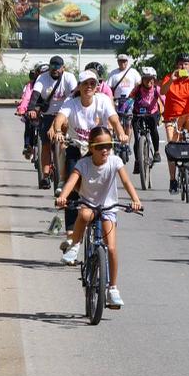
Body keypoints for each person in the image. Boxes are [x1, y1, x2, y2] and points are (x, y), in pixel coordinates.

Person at [54, 126, 143, 308]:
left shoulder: (115, 161)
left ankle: (113, 289)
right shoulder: (83, 164)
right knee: (84, 214)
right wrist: (62, 197)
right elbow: (71, 182)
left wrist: (136, 200)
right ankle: (75, 246)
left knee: (111, 248)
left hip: (108, 207)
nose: (105, 150)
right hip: (88, 204)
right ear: (91, 147)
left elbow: (126, 181)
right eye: (101, 147)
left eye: (109, 146)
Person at [51, 70, 127, 255]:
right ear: (79, 86)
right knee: (71, 192)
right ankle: (71, 236)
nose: (89, 87)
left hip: (98, 149)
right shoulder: (71, 102)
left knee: (104, 187)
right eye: (85, 83)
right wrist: (58, 131)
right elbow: (59, 119)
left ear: (97, 86)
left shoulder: (103, 101)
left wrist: (121, 132)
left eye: (92, 83)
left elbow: (114, 120)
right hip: (77, 148)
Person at [28, 55, 77, 191]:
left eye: (57, 66)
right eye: (52, 66)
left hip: (65, 115)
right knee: (45, 144)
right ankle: (45, 175)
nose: (55, 69)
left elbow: (74, 96)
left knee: (63, 144)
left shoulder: (69, 78)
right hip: (48, 115)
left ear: (63, 68)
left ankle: (63, 174)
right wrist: (31, 109)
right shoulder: (42, 78)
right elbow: (35, 95)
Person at [160, 53, 189, 194]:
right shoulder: (169, 77)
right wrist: (171, 80)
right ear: (177, 66)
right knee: (172, 147)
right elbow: (162, 91)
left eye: (186, 64)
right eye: (180, 64)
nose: (183, 66)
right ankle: (173, 180)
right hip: (172, 117)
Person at [128, 67, 163, 175]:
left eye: (151, 79)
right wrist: (125, 109)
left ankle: (156, 152)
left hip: (152, 113)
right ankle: (137, 161)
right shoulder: (137, 89)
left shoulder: (156, 89)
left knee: (153, 130)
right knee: (137, 139)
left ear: (154, 79)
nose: (148, 81)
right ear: (142, 79)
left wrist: (167, 113)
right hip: (137, 113)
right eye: (146, 78)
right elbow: (130, 98)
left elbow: (163, 100)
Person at [15, 63, 48, 159]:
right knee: (29, 123)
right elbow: (26, 98)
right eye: (41, 74)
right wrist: (22, 110)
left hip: (48, 110)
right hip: (33, 108)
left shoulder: (53, 83)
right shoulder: (31, 85)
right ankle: (28, 146)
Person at [107, 53, 139, 135]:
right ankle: (119, 138)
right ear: (118, 62)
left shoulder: (133, 72)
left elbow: (139, 84)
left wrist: (135, 94)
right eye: (120, 61)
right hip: (117, 101)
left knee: (128, 122)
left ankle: (127, 141)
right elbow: (108, 88)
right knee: (117, 122)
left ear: (127, 62)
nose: (122, 63)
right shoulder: (113, 73)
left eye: (124, 61)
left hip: (129, 100)